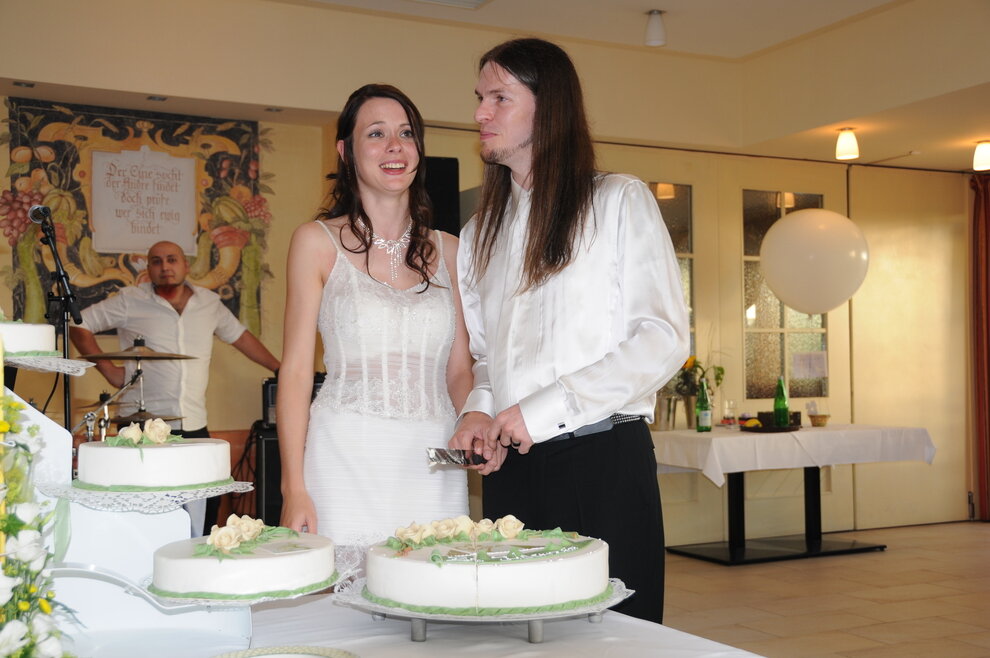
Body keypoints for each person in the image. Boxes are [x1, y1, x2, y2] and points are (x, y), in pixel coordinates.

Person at [449, 38, 690, 624]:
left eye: (499, 98)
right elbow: (487, 356)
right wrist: (479, 411)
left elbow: (662, 337)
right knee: (516, 633)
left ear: (548, 105)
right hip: (511, 473)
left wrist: (545, 409)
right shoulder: (479, 233)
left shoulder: (618, 201)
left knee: (614, 637)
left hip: (602, 462)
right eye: (480, 98)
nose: (480, 113)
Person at [276, 84, 473, 552]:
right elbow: (297, 372)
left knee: (435, 584)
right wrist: (293, 488)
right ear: (346, 151)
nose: (394, 147)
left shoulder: (452, 251)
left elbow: (459, 371)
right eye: (376, 134)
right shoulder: (315, 242)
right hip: (342, 459)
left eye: (406, 133)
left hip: (434, 462)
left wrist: (474, 426)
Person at [70, 240, 280, 535]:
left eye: (172, 259)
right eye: (156, 261)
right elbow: (78, 324)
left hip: (194, 423)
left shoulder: (209, 303)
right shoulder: (130, 300)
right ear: (148, 268)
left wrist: (280, 369)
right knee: (149, 509)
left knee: (207, 501)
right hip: (142, 427)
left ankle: (199, 554)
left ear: (185, 265)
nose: (165, 267)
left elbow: (240, 337)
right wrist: (108, 370)